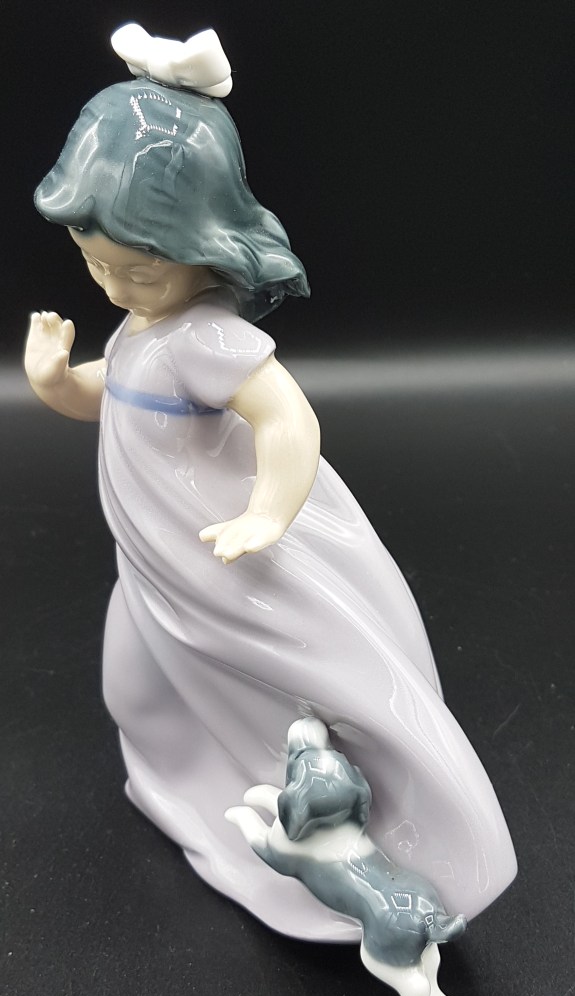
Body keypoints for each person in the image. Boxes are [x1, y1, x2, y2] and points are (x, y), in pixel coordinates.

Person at [24, 25, 516, 943]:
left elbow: (287, 419)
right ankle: (184, 794)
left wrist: (266, 512)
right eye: (95, 263)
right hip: (152, 565)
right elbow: (110, 394)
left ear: (205, 248)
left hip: (213, 560)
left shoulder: (208, 335)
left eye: (139, 269)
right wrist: (55, 383)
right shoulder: (141, 328)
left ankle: (354, 851)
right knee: (133, 690)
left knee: (278, 693)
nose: (116, 287)